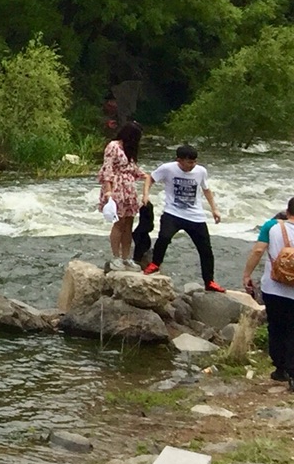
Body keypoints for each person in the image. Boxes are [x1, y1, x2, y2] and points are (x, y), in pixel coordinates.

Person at [144, 143, 224, 291]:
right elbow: (150, 178)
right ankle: (155, 264)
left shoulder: (201, 171)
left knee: (206, 249)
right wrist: (146, 196)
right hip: (173, 212)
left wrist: (214, 209)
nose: (192, 165)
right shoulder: (167, 169)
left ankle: (209, 281)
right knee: (164, 237)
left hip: (195, 216)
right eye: (189, 162)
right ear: (179, 160)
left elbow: (206, 190)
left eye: (194, 162)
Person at [241, 198, 294, 389]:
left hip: (273, 288)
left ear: (287, 211)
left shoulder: (271, 226)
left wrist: (247, 274)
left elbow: (258, 250)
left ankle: (280, 369)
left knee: (276, 326)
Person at [97, 122, 151, 269]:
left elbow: (132, 168)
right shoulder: (113, 146)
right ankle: (116, 257)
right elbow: (107, 169)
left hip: (129, 189)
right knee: (119, 223)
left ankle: (126, 258)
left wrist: (146, 176)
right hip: (117, 188)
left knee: (129, 224)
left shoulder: (129, 149)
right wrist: (108, 191)